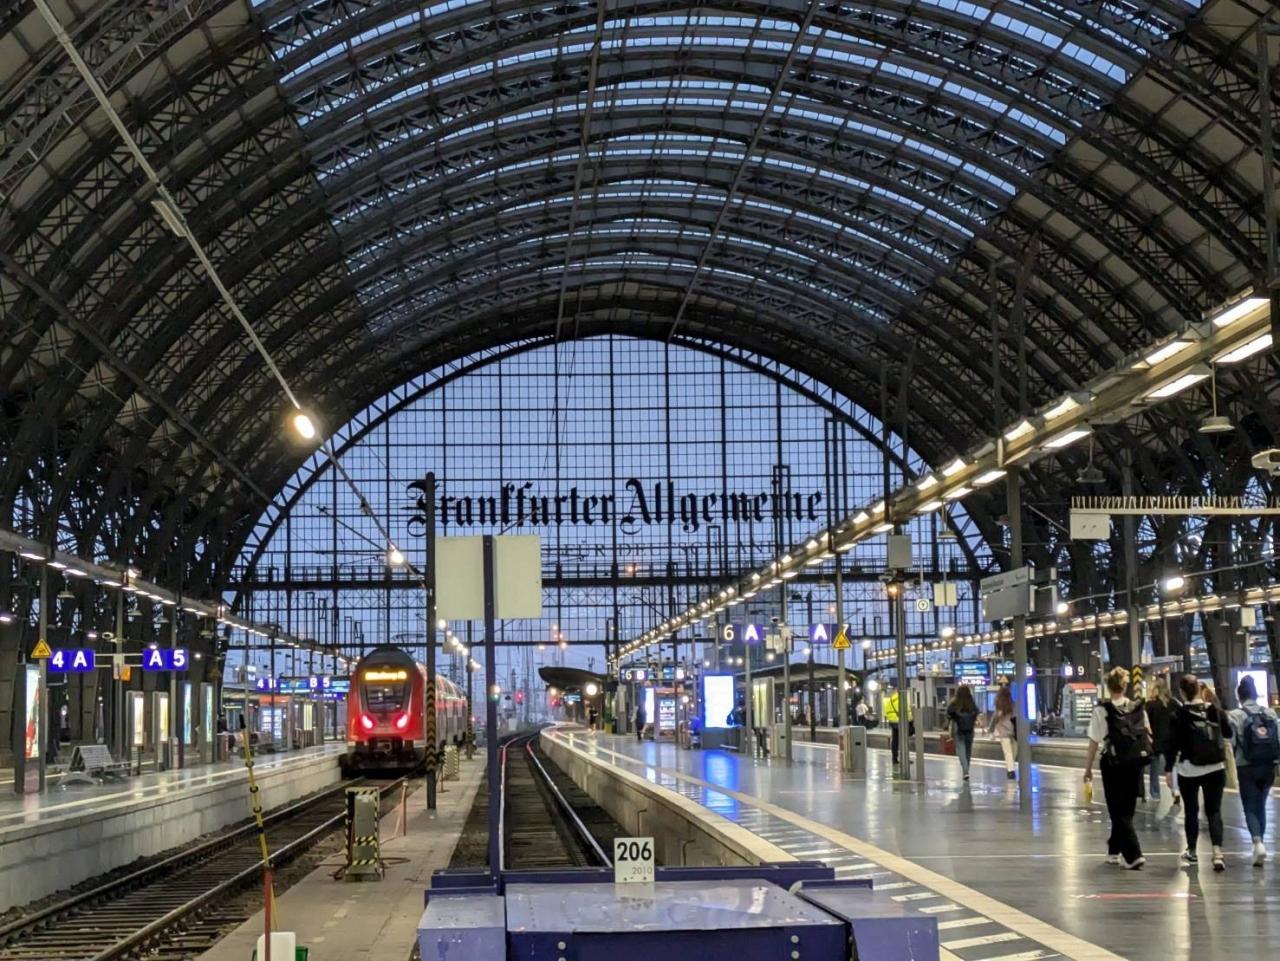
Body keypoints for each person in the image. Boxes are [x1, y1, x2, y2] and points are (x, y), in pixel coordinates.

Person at [1083, 666, 1152, 869]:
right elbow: (1148, 733)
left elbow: (1094, 742)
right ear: (1125, 686)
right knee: (1127, 808)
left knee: (1116, 809)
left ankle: (1134, 855)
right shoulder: (1137, 708)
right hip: (1134, 762)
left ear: (1108, 686)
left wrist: (1087, 769)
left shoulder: (1101, 711)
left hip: (1112, 764)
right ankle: (1114, 850)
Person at [1167, 674, 1232, 871]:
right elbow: (1228, 733)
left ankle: (1193, 851)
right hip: (1215, 767)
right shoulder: (1214, 709)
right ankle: (1217, 853)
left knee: (1191, 810)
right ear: (1199, 689)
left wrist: (1169, 769)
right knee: (1214, 810)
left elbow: (1172, 745)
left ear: (1181, 692)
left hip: (1189, 770)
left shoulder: (1178, 715)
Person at [1228, 674, 1279, 865]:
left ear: (1239, 696)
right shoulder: (1270, 713)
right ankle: (1261, 843)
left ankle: (1257, 843)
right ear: (1256, 694)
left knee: (1249, 806)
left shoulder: (1235, 715)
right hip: (1267, 765)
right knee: (1261, 805)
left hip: (1246, 766)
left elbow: (1231, 743)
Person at [1144, 675, 1175, 806]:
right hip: (1170, 741)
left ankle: (1155, 793)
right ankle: (1175, 791)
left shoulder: (1150, 705)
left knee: (1154, 769)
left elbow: (1146, 724)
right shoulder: (1173, 704)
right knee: (1172, 767)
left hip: (1155, 741)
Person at [946, 685, 980, 781]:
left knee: (961, 750)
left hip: (958, 728)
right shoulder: (971, 703)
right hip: (970, 729)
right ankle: (966, 770)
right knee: (968, 750)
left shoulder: (954, 703)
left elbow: (948, 713)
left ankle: (965, 771)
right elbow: (976, 712)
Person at [987, 685, 1018, 780]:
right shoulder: (1013, 705)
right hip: (1014, 732)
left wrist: (991, 730)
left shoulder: (1000, 707)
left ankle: (1010, 768)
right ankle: (1011, 770)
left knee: (1008, 752)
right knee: (1013, 751)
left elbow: (994, 719)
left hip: (1004, 732)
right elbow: (1017, 717)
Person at [884, 686, 913, 767]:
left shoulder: (890, 699)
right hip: (901, 721)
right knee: (904, 740)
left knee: (895, 740)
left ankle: (894, 758)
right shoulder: (901, 699)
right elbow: (906, 711)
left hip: (893, 721)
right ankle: (905, 758)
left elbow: (886, 711)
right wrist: (911, 720)